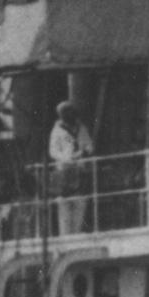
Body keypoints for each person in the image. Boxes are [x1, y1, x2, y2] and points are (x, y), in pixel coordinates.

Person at [48, 99, 94, 237]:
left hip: (80, 169)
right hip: (64, 171)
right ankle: (66, 236)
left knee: (80, 202)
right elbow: (53, 151)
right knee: (64, 205)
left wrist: (84, 151)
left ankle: (77, 233)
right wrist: (67, 158)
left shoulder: (81, 128)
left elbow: (89, 145)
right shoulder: (57, 131)